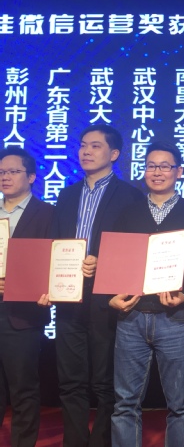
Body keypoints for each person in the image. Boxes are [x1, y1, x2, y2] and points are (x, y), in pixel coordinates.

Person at [38, 124, 144, 447]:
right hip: (68, 298)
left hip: (106, 300)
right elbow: (54, 243)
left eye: (95, 146)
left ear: (114, 154)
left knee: (104, 383)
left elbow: (136, 249)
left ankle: (101, 442)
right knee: (70, 381)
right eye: (83, 145)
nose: (86, 151)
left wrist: (104, 262)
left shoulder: (130, 196)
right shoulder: (67, 194)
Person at [108, 141, 184, 446]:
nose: (157, 172)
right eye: (151, 166)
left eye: (165, 166)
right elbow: (115, 260)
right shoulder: (128, 213)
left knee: (180, 405)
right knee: (125, 404)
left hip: (175, 319)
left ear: (179, 172)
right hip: (132, 318)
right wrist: (111, 295)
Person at [0, 148, 53, 447]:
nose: (5, 177)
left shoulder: (48, 214)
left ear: (31, 177)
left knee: (23, 390)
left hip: (23, 315)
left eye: (13, 171)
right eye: (1, 172)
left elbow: (55, 260)